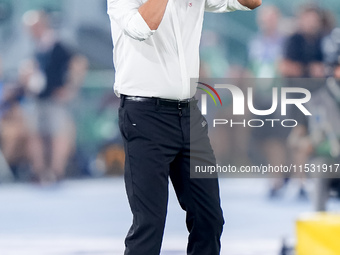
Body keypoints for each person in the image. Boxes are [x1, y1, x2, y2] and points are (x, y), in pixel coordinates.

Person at [107, 0, 261, 254]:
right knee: (149, 224)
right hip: (144, 116)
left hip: (188, 114)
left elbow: (250, 2)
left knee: (209, 218)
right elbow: (142, 27)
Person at [22, 10, 88, 184]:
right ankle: (39, 171)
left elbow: (79, 63)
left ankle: (56, 171)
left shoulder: (58, 44)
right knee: (36, 134)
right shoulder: (37, 46)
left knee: (58, 134)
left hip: (55, 98)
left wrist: (70, 88)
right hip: (38, 98)